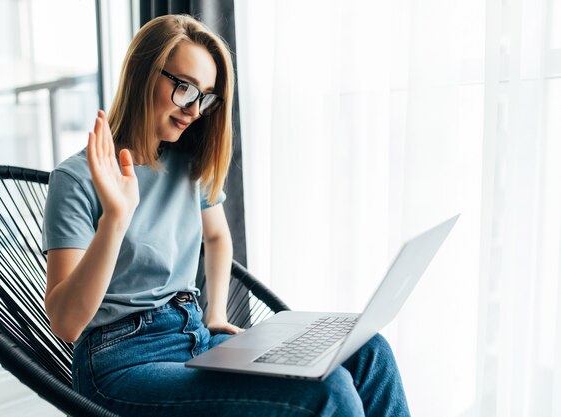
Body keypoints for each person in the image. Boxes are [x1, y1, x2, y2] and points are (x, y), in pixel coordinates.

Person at [42, 14, 411, 417]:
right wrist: (115, 217)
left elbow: (217, 237)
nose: (195, 110)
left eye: (206, 96)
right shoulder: (76, 178)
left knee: (368, 351)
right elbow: (65, 323)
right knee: (329, 394)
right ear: (143, 74)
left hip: (194, 337)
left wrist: (215, 311)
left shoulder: (185, 163)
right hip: (121, 361)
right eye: (184, 88)